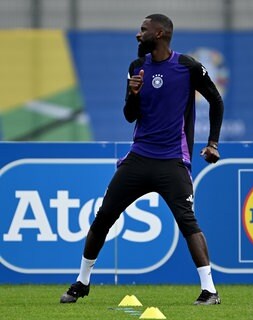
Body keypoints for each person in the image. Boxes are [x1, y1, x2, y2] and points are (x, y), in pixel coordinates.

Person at [60, 13, 224, 305]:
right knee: (103, 217)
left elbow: (216, 100)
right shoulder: (137, 67)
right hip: (139, 158)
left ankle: (209, 290)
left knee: (188, 222)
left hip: (173, 161)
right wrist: (133, 94)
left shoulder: (187, 67)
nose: (138, 34)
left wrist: (213, 143)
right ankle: (81, 282)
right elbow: (129, 115)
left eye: (143, 30)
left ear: (159, 33)